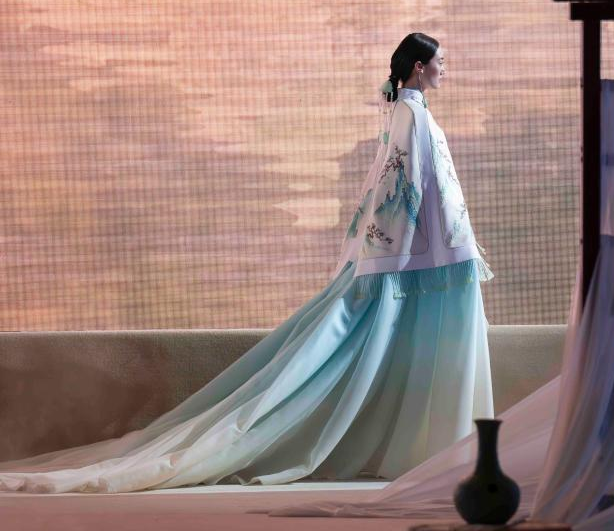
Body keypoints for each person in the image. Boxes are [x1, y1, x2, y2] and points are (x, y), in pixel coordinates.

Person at [0, 32, 495, 493]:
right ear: (418, 66)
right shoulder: (410, 114)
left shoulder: (409, 112)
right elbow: (400, 185)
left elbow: (403, 184)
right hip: (417, 255)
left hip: (424, 253)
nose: (445, 69)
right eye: (440, 62)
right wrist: (398, 253)